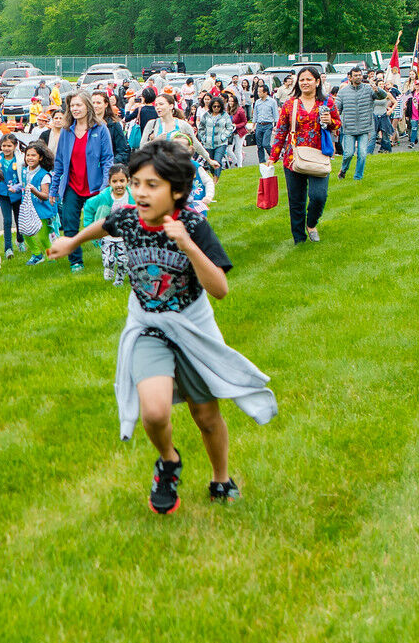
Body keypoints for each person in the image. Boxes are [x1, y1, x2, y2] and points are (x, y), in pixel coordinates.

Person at [46, 140, 273, 515]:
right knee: (153, 412)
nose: (140, 192)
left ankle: (221, 477)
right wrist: (73, 241)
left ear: (178, 190)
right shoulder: (130, 217)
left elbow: (220, 289)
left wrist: (187, 245)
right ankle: (168, 462)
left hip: (191, 328)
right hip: (149, 325)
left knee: (205, 416)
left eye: (152, 185)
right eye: (136, 183)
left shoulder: (195, 225)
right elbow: (105, 225)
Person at [270, 66, 341, 244]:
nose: (305, 82)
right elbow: (281, 131)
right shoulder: (290, 104)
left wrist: (330, 121)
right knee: (296, 201)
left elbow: (338, 124)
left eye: (309, 79)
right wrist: (273, 157)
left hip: (318, 155)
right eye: (302, 79)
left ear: (317, 82)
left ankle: (311, 223)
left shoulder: (327, 103)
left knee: (319, 196)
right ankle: (299, 239)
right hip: (294, 158)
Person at [49, 92, 115, 273]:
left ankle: (110, 256)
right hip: (72, 186)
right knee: (69, 223)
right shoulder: (66, 131)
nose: (75, 109)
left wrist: (104, 187)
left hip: (95, 186)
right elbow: (60, 162)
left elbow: (108, 159)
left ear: (87, 107)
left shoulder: (101, 129)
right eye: (72, 106)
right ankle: (75, 262)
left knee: (102, 224)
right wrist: (54, 189)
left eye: (79, 105)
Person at [82, 164, 131, 287]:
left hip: (124, 237)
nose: (118, 184)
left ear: (128, 181)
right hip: (106, 235)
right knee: (109, 260)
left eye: (122, 181)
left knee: (123, 261)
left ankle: (119, 281)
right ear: (109, 182)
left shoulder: (132, 197)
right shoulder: (104, 196)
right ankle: (108, 268)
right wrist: (89, 227)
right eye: (115, 181)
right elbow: (88, 206)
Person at [335, 67, 386, 180]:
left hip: (365, 127)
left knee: (362, 154)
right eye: (355, 75)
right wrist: (336, 122)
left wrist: (377, 89)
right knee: (348, 154)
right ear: (350, 77)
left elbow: (383, 96)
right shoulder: (343, 91)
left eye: (359, 75)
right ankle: (343, 170)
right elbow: (337, 108)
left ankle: (358, 177)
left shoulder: (369, 89)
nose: (358, 77)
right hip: (349, 128)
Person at [23, 141, 57, 265]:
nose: (30, 158)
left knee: (43, 237)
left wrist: (34, 191)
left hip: (42, 210)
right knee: (26, 232)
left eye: (33, 155)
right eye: (28, 155)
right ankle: (37, 254)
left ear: (40, 157)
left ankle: (51, 257)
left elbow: (45, 196)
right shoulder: (24, 171)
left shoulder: (44, 175)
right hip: (28, 209)